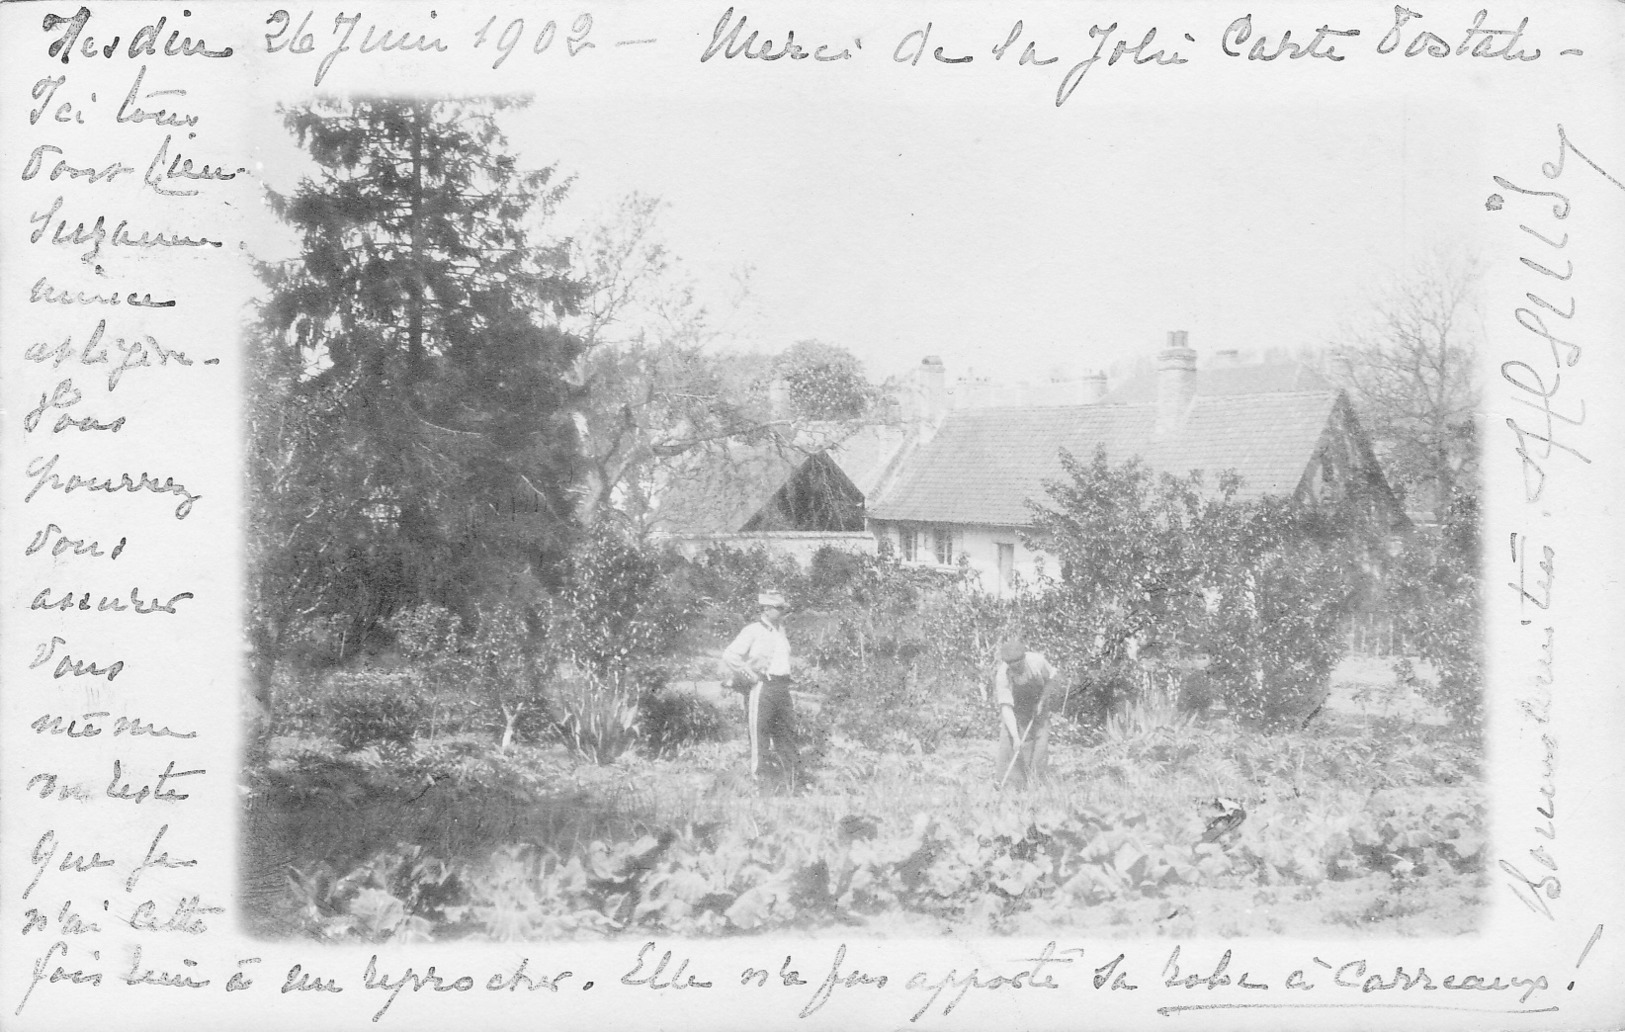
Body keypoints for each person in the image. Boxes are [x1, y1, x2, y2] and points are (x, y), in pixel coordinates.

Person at [722, 591, 798, 787]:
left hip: (782, 687)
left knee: (787, 734)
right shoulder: (753, 630)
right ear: (766, 609)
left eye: (783, 609)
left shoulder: (781, 631)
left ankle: (788, 783)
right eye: (779, 609)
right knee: (760, 734)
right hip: (762, 687)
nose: (783, 612)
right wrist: (750, 676)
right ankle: (759, 783)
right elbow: (730, 655)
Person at [991, 639, 1058, 789]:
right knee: (1011, 744)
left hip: (1039, 703)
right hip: (1016, 708)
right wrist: (1015, 737)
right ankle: (1011, 786)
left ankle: (1036, 783)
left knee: (1040, 743)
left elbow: (1051, 681)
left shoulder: (1038, 662)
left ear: (1024, 658)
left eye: (1019, 665)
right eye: (1013, 667)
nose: (1017, 670)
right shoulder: (1003, 675)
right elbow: (1006, 708)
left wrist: (1041, 701)